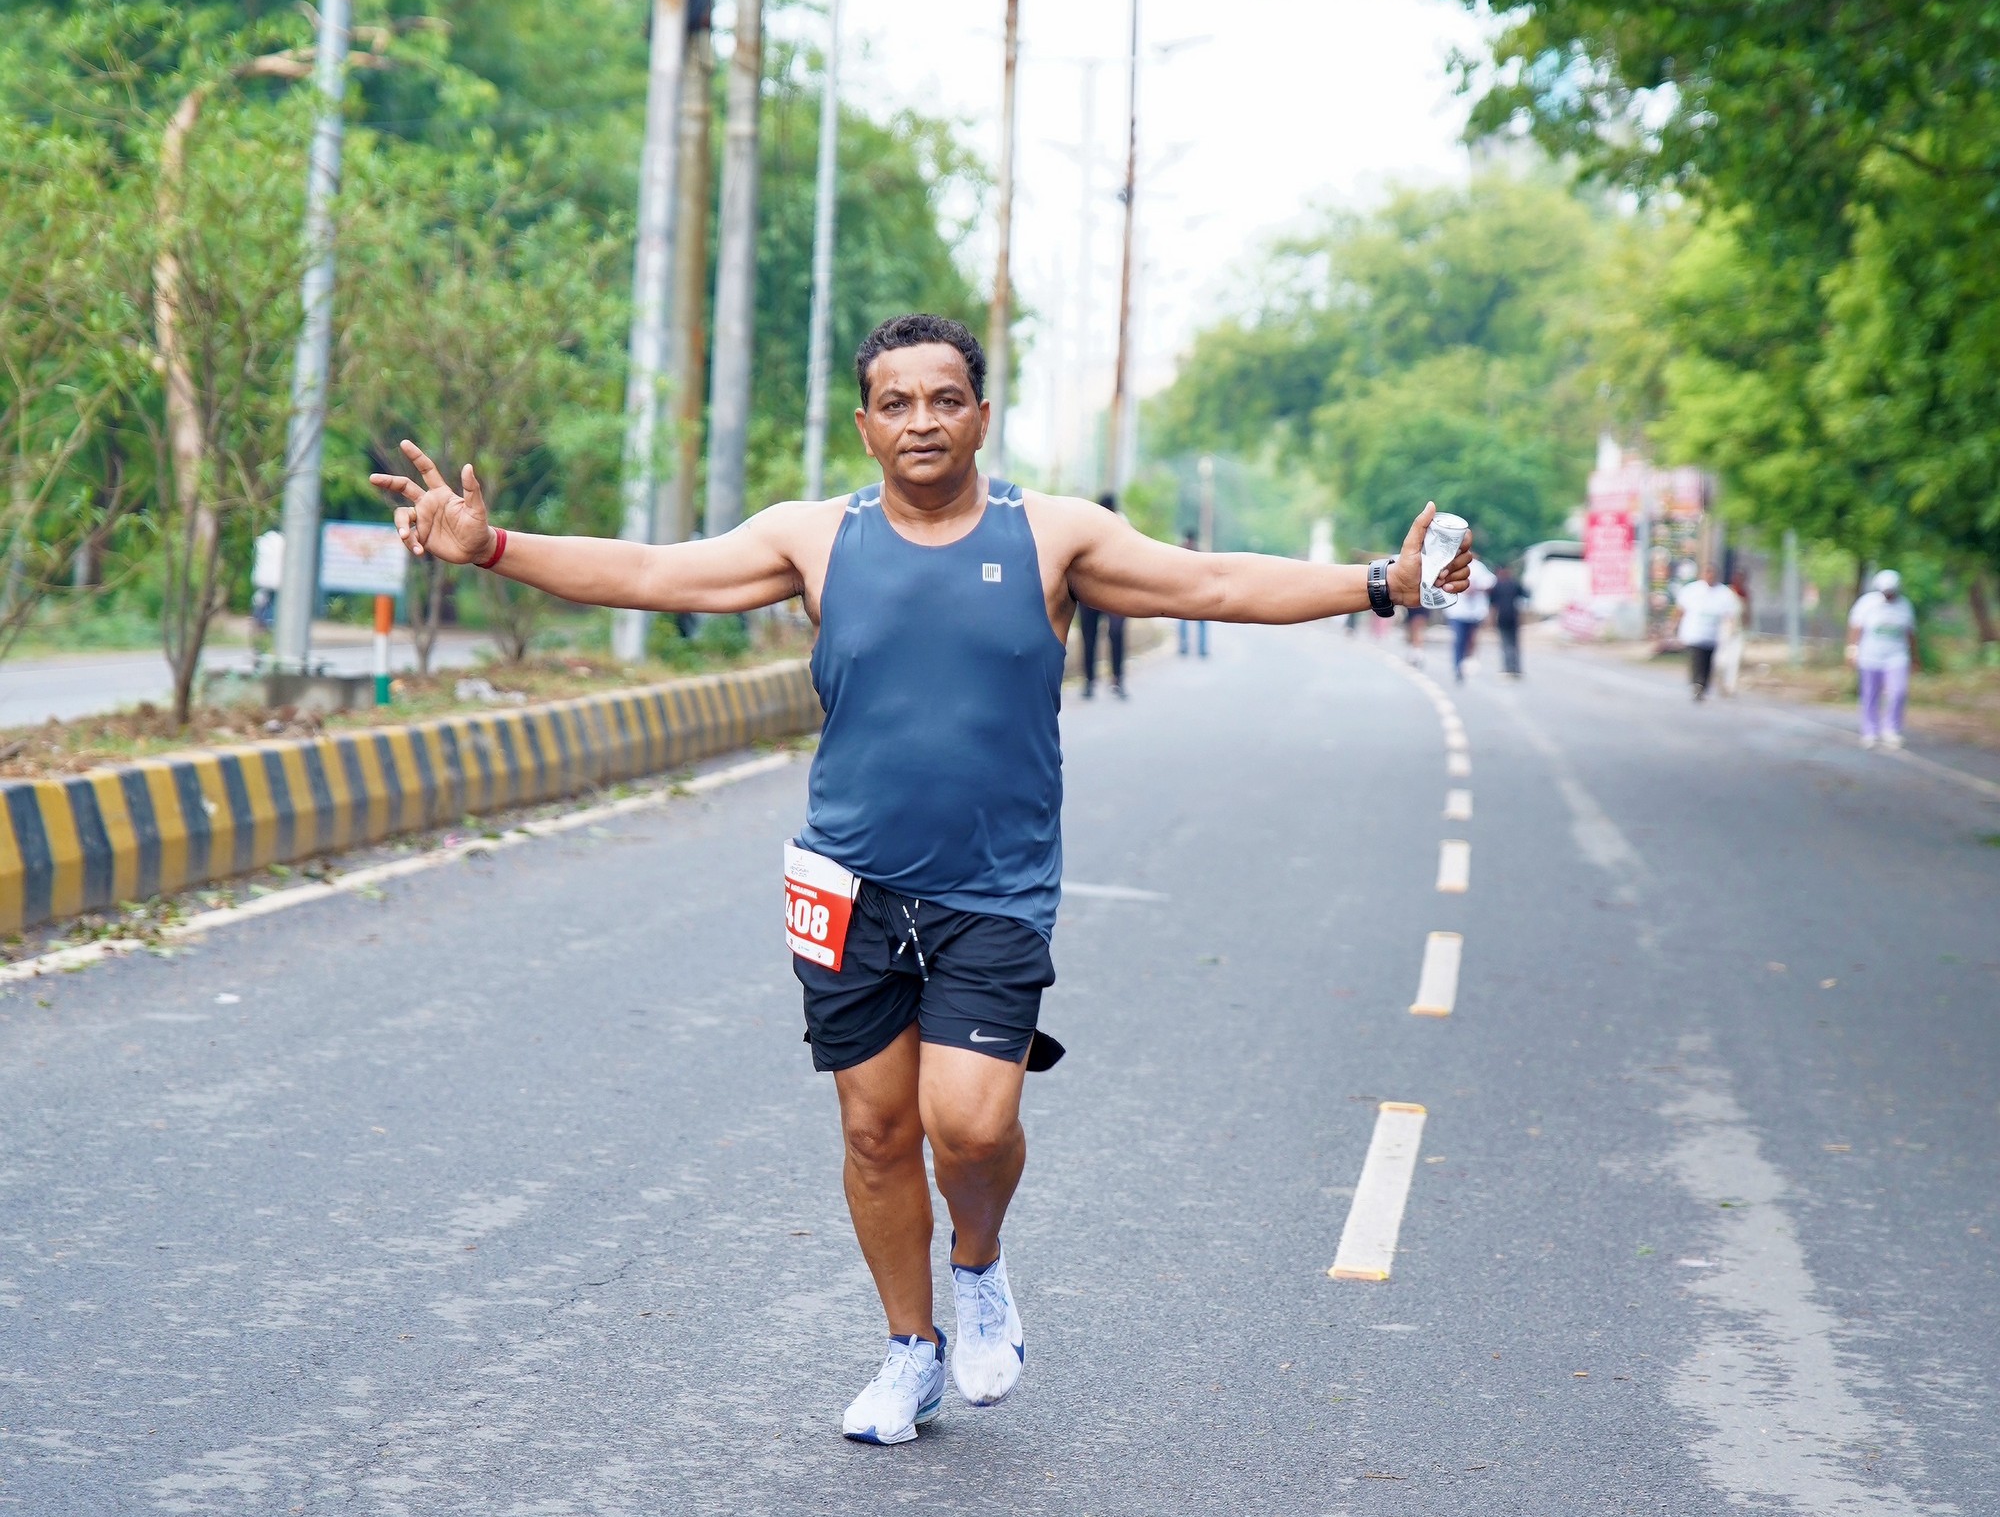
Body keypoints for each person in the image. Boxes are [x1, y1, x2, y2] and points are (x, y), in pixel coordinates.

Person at [374, 313, 1474, 1445]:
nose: (921, 422)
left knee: (972, 1126)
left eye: (945, 400)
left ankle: (980, 1267)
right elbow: (654, 572)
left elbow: (1213, 583)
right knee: (873, 1132)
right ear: (864, 426)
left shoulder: (1052, 535)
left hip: (993, 890)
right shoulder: (816, 539)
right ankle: (910, 1350)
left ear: (981, 417)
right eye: (895, 404)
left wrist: (1381, 583)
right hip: (846, 886)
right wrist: (492, 547)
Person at [1848, 568, 1915, 747]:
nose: (1888, 595)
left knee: (1898, 692)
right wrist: (1852, 650)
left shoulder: (1904, 606)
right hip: (1870, 655)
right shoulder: (1867, 603)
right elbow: (1856, 627)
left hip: (1896, 655)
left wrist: (1915, 657)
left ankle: (1891, 729)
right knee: (1870, 693)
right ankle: (1870, 731)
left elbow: (1910, 632)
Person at [1078, 492, 1127, 699]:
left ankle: (1105, 680)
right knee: (1100, 636)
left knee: (1101, 636)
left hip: (1101, 592)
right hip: (1097, 593)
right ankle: (1099, 681)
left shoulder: (1121, 527)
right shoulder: (1094, 526)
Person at [1676, 567, 1727, 698]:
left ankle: (1703, 685)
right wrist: (1674, 625)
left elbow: (1729, 615)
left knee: (1708, 661)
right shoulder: (1692, 590)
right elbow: (1680, 609)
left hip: (1712, 635)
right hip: (1694, 632)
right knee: (1696, 659)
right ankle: (1696, 683)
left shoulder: (1723, 592)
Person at [1446, 549, 1495, 680]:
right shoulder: (1452, 566)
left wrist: (1475, 588)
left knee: (1471, 639)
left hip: (1474, 612)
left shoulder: (1478, 567)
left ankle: (1467, 660)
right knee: (1459, 639)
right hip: (1457, 611)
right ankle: (1457, 665)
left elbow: (1490, 582)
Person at [1488, 559, 1525, 678]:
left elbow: (1493, 606)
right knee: (1513, 644)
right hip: (1512, 617)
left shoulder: (1497, 586)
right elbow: (1523, 600)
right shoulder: (1514, 584)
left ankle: (1510, 668)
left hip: (1504, 617)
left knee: (1506, 644)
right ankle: (1514, 668)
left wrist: (1491, 620)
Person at [1713, 572, 1747, 696]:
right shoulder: (1726, 593)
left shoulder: (1744, 593)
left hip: (1738, 630)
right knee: (1721, 659)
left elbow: (1747, 612)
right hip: (1725, 629)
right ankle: (1720, 681)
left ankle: (1731, 686)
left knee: (1735, 659)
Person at [1177, 530, 1209, 659]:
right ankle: (1200, 648)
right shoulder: (1198, 552)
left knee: (1184, 621)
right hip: (1195, 591)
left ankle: (1185, 646)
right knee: (1199, 622)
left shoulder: (1180, 551)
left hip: (1187, 592)